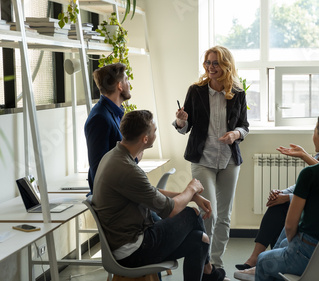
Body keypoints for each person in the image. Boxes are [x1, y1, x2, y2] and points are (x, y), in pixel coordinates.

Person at [92, 110, 226, 281]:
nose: (156, 133)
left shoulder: (114, 156)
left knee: (199, 240)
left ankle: (208, 272)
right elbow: (171, 210)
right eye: (154, 130)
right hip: (132, 251)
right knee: (191, 214)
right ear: (145, 139)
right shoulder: (127, 168)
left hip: (128, 244)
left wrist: (190, 196)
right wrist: (191, 189)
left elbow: (151, 192)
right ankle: (210, 272)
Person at [235, 112, 319, 281]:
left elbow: (290, 226)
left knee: (263, 260)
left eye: (314, 131)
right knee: (281, 246)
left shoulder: (310, 174)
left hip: (306, 253)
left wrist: (295, 247)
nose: (313, 136)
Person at [174, 45, 249, 268]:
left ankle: (216, 264)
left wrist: (235, 134)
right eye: (207, 62)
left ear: (226, 65)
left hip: (229, 160)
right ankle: (205, 263)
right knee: (210, 213)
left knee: (225, 215)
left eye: (215, 63)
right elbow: (184, 127)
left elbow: (244, 126)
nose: (210, 67)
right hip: (202, 159)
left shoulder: (238, 92)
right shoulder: (196, 91)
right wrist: (180, 120)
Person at [85, 63, 132, 194]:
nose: (129, 84)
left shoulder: (115, 114)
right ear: (119, 86)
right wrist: (136, 155)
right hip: (114, 198)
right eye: (126, 80)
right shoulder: (99, 118)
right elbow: (99, 168)